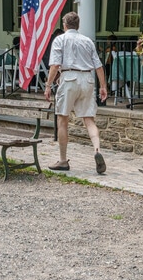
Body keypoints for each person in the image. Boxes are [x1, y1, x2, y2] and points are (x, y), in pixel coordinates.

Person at [44, 12, 109, 174]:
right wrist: (103, 86)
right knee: (89, 119)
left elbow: (54, 66)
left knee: (63, 119)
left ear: (64, 25)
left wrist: (48, 85)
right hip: (87, 79)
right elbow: (98, 66)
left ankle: (63, 160)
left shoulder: (60, 40)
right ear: (78, 25)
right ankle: (97, 150)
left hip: (69, 78)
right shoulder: (87, 41)